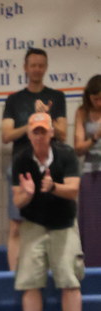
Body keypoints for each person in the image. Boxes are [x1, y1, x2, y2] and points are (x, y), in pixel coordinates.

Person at [12, 112, 83, 311]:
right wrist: (28, 193)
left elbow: (73, 190)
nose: (40, 136)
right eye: (36, 131)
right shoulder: (21, 159)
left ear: (52, 133)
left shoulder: (67, 154)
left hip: (64, 223)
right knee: (30, 281)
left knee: (69, 280)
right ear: (29, 134)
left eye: (44, 131)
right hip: (33, 225)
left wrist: (53, 187)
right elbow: (17, 201)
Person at [2, 48, 68, 271]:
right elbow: (6, 135)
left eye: (41, 65)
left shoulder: (57, 97)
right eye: (33, 65)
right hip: (21, 167)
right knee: (16, 224)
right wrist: (32, 122)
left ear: (46, 68)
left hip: (50, 166)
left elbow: (63, 133)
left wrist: (46, 117)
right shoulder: (14, 100)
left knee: (49, 222)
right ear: (25, 67)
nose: (37, 69)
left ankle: (50, 272)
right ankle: (14, 276)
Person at [74, 74, 101, 268]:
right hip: (91, 171)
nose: (99, 103)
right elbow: (78, 147)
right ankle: (93, 266)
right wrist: (95, 137)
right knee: (91, 224)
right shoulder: (82, 113)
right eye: (95, 99)